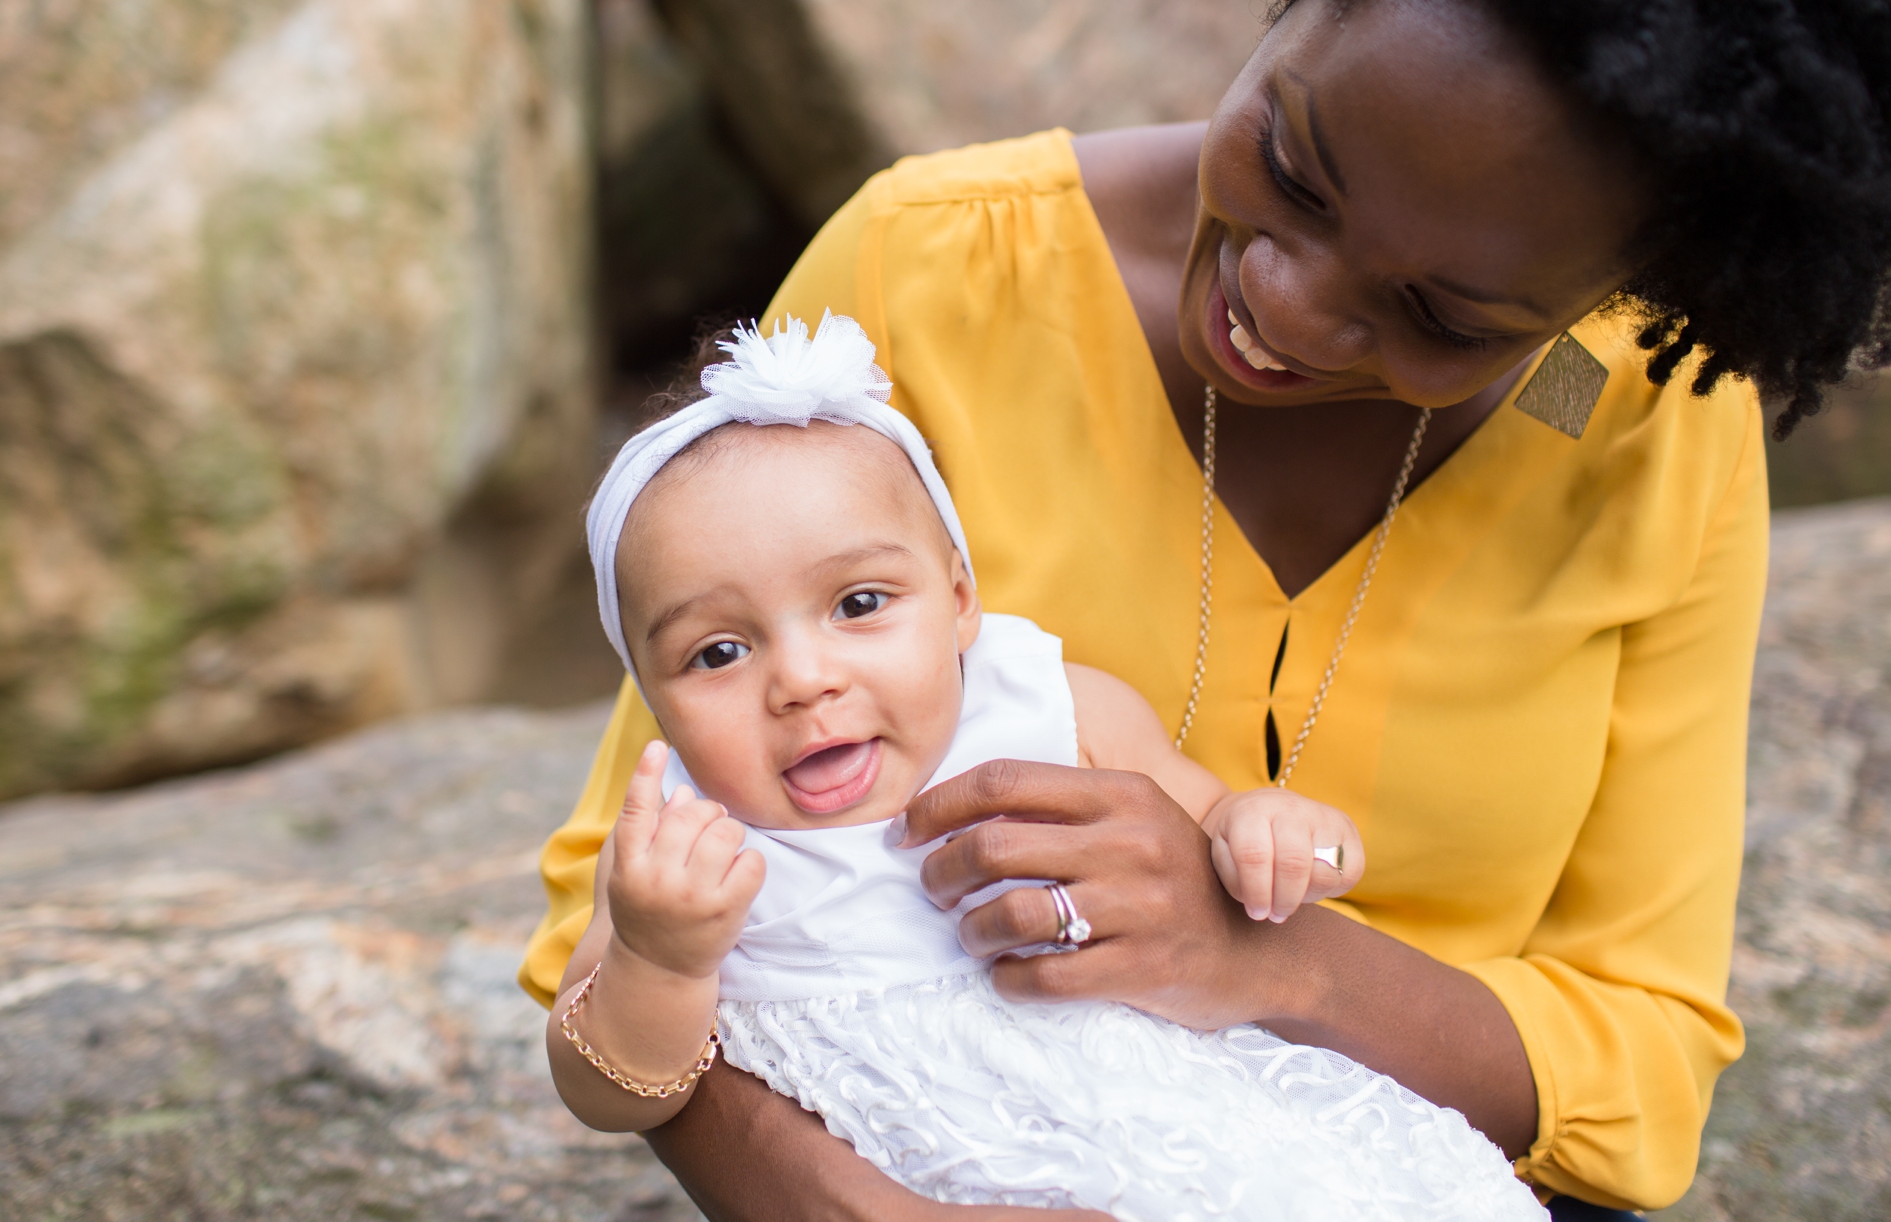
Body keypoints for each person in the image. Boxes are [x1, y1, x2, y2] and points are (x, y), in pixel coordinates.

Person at [522, 0, 1891, 1217]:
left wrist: (1269, 960)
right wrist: (844, 1208)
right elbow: (629, 884)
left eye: (1444, 312)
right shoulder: (924, 276)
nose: (1284, 305)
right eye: (1294, 165)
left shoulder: (1657, 424)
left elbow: (1645, 1062)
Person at [546, 315, 1537, 1218]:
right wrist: (660, 956)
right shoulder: (682, 850)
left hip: (1175, 1134)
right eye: (717, 652)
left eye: (858, 603)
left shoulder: (1056, 710)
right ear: (652, 691)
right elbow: (607, 1086)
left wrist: (1271, 830)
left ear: (960, 595)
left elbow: (1222, 837)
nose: (803, 679)